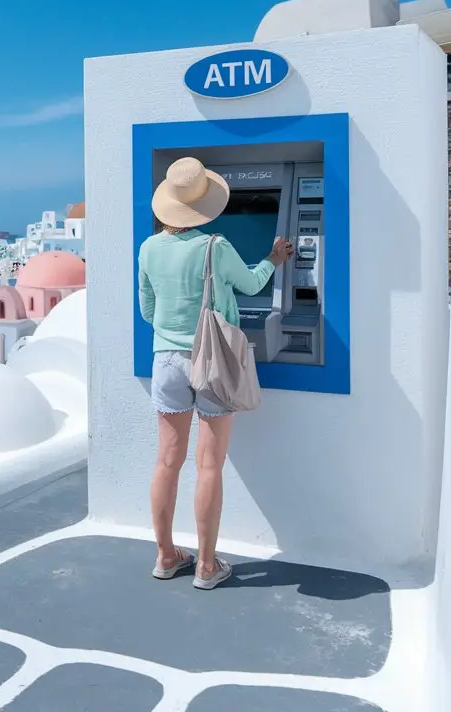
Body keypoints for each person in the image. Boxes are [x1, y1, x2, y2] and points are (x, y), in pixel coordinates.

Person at [138, 157, 294, 590]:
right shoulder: (216, 246)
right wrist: (273, 259)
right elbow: (250, 286)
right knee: (209, 466)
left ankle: (166, 556)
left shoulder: (149, 247)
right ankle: (206, 566)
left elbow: (148, 311)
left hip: (166, 360)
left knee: (167, 461)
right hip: (211, 362)